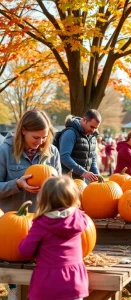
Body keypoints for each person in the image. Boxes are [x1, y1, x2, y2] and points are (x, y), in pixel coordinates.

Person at [0, 109, 62, 300]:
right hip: (13, 225)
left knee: (40, 275)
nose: (40, 142)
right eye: (36, 137)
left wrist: (54, 186)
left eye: (44, 137)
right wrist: (16, 184)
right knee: (16, 273)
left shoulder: (52, 152)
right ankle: (13, 293)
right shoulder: (4, 151)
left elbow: (61, 189)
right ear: (23, 130)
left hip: (42, 222)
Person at [18, 176, 89, 300]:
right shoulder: (79, 218)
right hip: (74, 281)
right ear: (73, 197)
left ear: (44, 199)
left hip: (48, 283)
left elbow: (25, 251)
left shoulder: (41, 224)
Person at [58, 109, 101, 181]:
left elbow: (92, 160)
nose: (93, 130)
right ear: (84, 120)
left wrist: (98, 176)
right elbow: (64, 156)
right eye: (92, 127)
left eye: (96, 128)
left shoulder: (92, 136)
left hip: (82, 180)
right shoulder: (70, 133)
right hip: (67, 180)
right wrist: (83, 172)